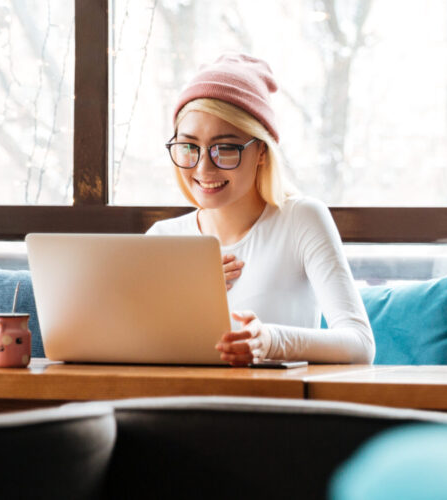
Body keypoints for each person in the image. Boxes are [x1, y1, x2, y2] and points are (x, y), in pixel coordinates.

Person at [146, 53, 374, 365]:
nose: (203, 167)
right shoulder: (162, 238)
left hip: (271, 408)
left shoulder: (301, 219)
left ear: (262, 151)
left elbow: (360, 344)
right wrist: (180, 297)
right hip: (175, 406)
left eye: (225, 148)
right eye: (189, 147)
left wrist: (269, 340)